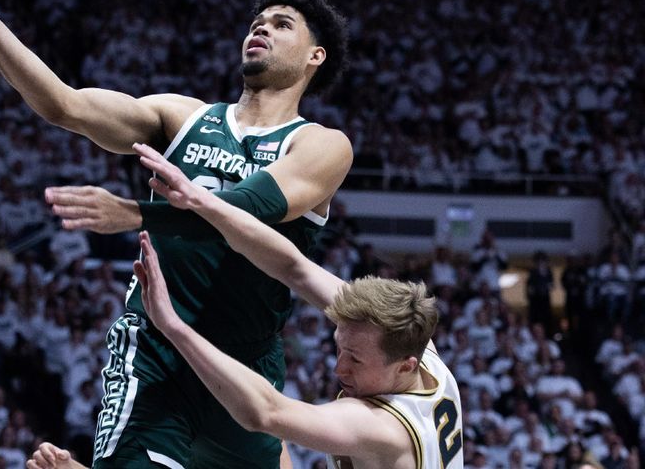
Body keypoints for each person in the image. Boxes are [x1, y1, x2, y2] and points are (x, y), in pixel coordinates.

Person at [0, 0, 352, 468]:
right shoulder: (182, 117)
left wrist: (138, 212)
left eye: (282, 24)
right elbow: (63, 104)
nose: (260, 28)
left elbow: (252, 209)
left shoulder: (320, 144)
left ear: (316, 56)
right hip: (154, 354)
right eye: (257, 20)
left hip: (246, 368)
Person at [30, 143, 464, 469]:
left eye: (353, 358)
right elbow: (292, 265)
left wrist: (173, 324)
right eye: (339, 350)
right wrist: (199, 202)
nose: (339, 369)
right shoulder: (412, 340)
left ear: (404, 366)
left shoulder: (379, 427)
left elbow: (264, 412)